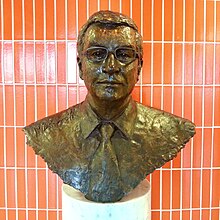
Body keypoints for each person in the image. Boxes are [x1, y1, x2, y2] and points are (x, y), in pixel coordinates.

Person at [23, 10, 195, 203]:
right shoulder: (46, 134)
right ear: (80, 67)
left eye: (124, 54)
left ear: (139, 68)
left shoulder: (171, 130)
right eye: (97, 54)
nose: (110, 66)